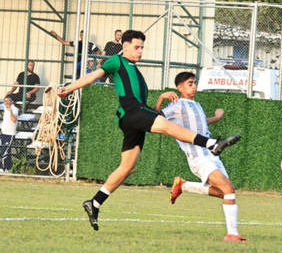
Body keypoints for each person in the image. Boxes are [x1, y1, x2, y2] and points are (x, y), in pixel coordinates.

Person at [56, 30, 242, 232]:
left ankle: (95, 203)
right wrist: (69, 88)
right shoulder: (116, 61)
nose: (140, 51)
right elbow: (93, 76)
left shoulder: (135, 70)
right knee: (167, 126)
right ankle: (212, 143)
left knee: (127, 167)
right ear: (124, 46)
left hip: (134, 117)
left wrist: (160, 99)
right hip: (132, 111)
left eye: (142, 47)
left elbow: (149, 107)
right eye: (136, 47)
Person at [154, 71, 247, 242]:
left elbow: (200, 122)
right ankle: (232, 234)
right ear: (179, 87)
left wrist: (217, 118)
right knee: (228, 190)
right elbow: (155, 117)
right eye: (190, 83)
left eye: (194, 83)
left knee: (224, 193)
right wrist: (161, 98)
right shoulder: (177, 105)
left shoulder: (196, 105)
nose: (194, 86)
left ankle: (183, 186)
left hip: (211, 155)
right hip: (199, 157)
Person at [0, 96, 19, 173]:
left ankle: (2, 168)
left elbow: (14, 120)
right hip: (3, 133)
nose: (7, 102)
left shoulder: (14, 109)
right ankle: (7, 168)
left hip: (10, 134)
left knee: (3, 152)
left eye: (8, 101)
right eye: (5, 101)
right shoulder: (5, 109)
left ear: (12, 102)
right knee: (6, 152)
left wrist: (10, 111)